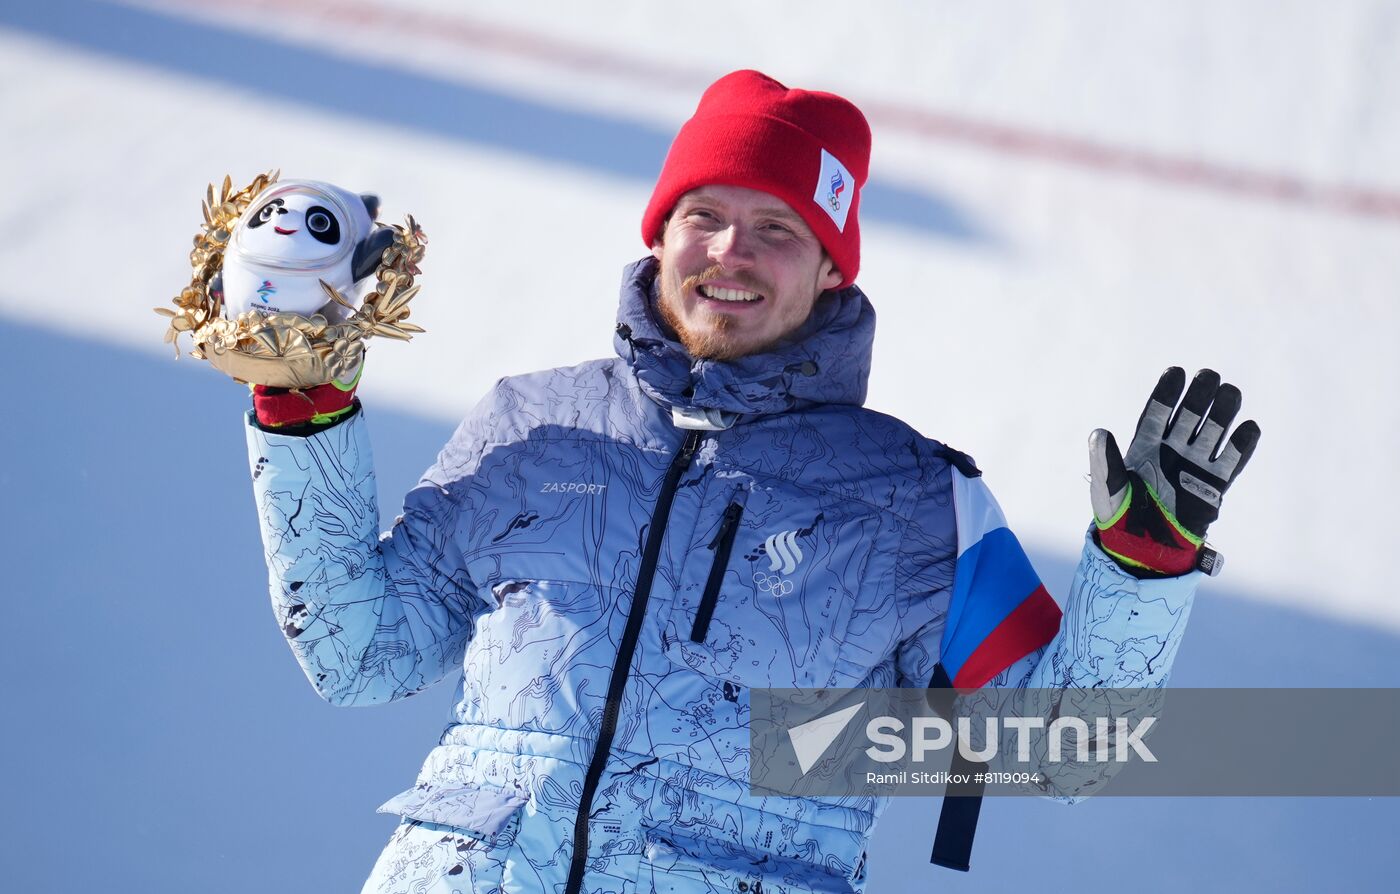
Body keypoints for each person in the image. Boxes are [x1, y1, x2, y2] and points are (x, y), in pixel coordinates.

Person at [241, 70, 1258, 893]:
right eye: (705, 215)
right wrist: (300, 412)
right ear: (661, 232)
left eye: (777, 230)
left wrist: (1141, 567)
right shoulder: (533, 424)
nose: (731, 252)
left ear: (829, 270)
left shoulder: (912, 501)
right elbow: (359, 655)